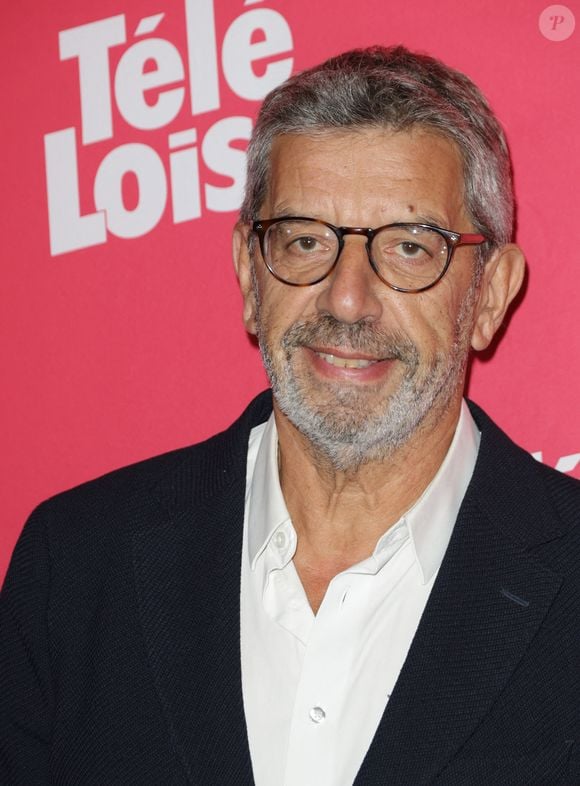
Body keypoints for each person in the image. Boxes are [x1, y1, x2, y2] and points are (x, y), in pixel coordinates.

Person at [1, 45, 579, 786]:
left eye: (409, 249)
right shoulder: (76, 566)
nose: (346, 299)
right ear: (249, 273)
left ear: (490, 295)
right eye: (306, 241)